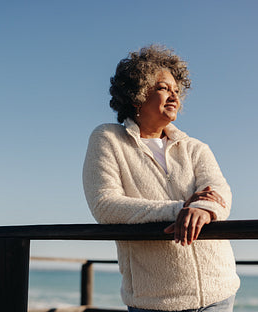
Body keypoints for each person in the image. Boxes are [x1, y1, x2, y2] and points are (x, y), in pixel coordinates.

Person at [82, 45, 240, 312]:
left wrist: (204, 209)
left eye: (177, 91)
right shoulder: (108, 138)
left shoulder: (195, 147)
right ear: (137, 94)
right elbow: (105, 205)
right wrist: (180, 209)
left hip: (220, 292)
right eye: (164, 88)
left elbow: (219, 192)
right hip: (154, 300)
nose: (174, 97)